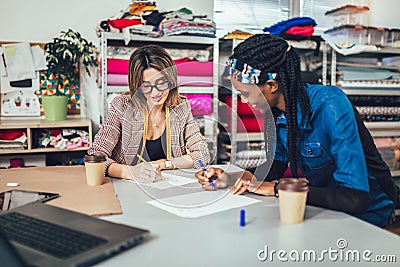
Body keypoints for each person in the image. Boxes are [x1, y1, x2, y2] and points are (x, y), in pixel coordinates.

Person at [195, 34, 399, 227]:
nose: (244, 101)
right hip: (328, 206)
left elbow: (355, 197)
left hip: (367, 212)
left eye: (245, 93)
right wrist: (237, 177)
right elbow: (276, 163)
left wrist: (278, 189)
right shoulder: (275, 110)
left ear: (272, 85)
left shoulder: (331, 105)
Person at [89, 44, 210, 182]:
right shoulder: (122, 106)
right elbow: (95, 156)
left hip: (168, 188)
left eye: (161, 83)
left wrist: (164, 164)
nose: (156, 92)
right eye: (146, 86)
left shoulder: (181, 107)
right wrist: (129, 172)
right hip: (127, 189)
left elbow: (202, 155)